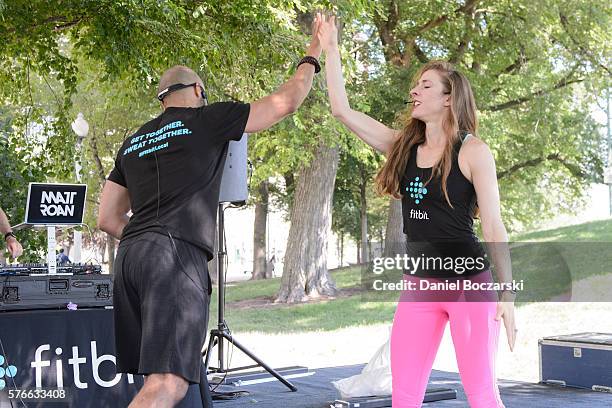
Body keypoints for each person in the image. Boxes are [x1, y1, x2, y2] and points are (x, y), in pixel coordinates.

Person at [97, 13, 324, 408]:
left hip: (131, 258)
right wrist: (313, 53)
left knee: (161, 380)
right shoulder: (207, 119)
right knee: (167, 384)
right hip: (174, 256)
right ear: (199, 90)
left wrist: (145, 237)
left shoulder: (132, 142)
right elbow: (287, 101)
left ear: (162, 98)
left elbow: (106, 219)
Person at [318, 15, 516, 408]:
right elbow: (341, 110)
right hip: (419, 287)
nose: (414, 91)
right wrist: (331, 49)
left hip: (470, 286)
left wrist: (507, 295)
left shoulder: (473, 150)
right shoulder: (402, 147)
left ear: (448, 98)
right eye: (415, 85)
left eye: (425, 85)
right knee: (405, 397)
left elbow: (493, 224)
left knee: (482, 395)